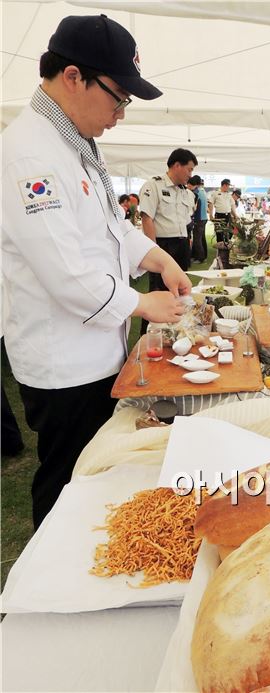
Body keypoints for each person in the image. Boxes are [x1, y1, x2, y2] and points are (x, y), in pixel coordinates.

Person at [1, 14, 192, 528]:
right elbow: (64, 272)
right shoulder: (29, 155)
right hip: (65, 363)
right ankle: (43, 596)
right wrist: (142, 303)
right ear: (73, 78)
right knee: (67, 480)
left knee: (93, 476)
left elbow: (112, 227)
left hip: (95, 351)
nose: (120, 113)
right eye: (118, 97)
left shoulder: (76, 143)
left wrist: (159, 259)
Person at [140, 148, 198, 286]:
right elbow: (147, 218)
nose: (190, 175)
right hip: (163, 245)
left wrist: (187, 239)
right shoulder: (154, 185)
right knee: (160, 287)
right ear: (177, 165)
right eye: (189, 169)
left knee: (181, 287)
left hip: (182, 244)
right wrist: (153, 250)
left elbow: (185, 219)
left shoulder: (184, 191)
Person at [188, 175, 208, 263]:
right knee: (201, 238)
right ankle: (201, 256)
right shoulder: (202, 191)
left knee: (197, 239)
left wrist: (194, 218)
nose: (188, 186)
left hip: (199, 219)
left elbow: (196, 208)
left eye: (189, 184)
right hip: (203, 218)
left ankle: (200, 258)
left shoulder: (196, 193)